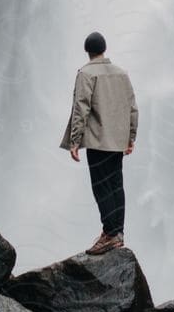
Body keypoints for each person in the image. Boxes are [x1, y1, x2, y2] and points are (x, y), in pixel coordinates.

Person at [58, 30, 137, 254]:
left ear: (88, 51)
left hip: (98, 140)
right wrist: (131, 137)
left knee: (101, 186)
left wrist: (75, 140)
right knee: (116, 185)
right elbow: (132, 107)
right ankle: (116, 232)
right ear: (104, 49)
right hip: (118, 140)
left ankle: (110, 234)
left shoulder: (86, 73)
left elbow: (81, 107)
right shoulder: (121, 73)